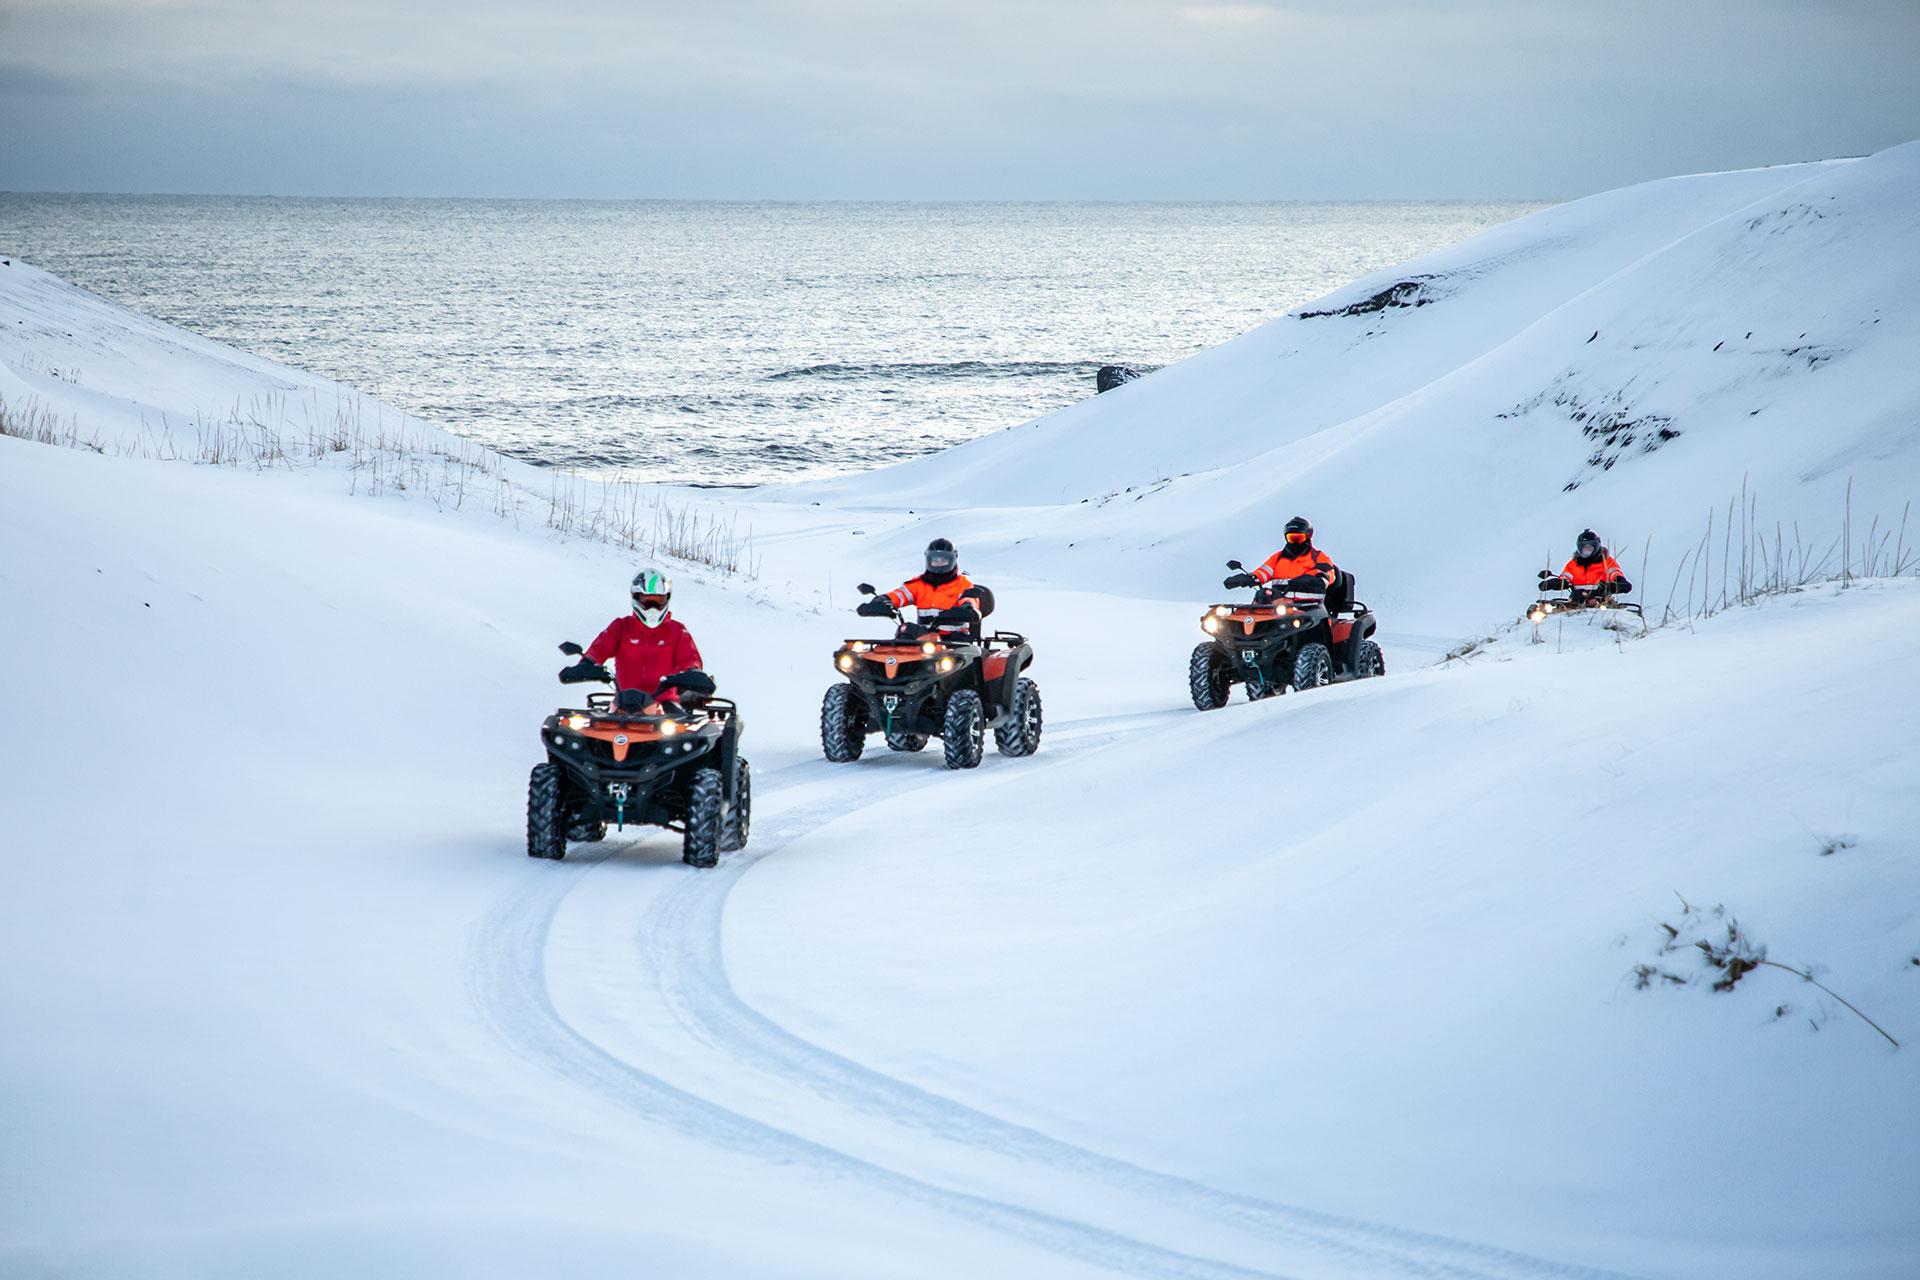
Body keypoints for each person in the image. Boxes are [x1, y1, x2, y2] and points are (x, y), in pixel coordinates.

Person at [578, 569, 705, 701]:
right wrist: (587, 663)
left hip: (665, 705)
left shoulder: (677, 631)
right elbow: (601, 646)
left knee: (681, 721)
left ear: (667, 599)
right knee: (580, 721)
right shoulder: (621, 627)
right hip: (624, 703)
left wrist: (694, 672)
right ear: (635, 597)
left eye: (658, 601)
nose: (652, 608)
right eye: (647, 601)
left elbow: (690, 657)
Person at [859, 537, 992, 635]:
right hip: (923, 639)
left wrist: (966, 609)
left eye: (943, 560)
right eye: (935, 560)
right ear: (928, 560)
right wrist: (881, 601)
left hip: (955, 641)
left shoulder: (963, 584)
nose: (939, 563)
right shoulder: (918, 584)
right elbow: (899, 595)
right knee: (903, 635)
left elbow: (969, 600)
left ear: (952, 560)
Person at [1224, 516, 1336, 595]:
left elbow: (1329, 574)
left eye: (1299, 538)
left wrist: (1317, 579)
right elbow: (1263, 572)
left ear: (1308, 537)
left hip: (1310, 607)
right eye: (1291, 538)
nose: (1295, 542)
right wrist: (1248, 578)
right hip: (1279, 606)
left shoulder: (1318, 557)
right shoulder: (1277, 558)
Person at [1539, 529, 1632, 603]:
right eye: (1584, 547)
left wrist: (1620, 584)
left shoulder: (1607, 562)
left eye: (1590, 547)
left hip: (1601, 603)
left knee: (1615, 618)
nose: (1587, 550)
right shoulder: (1573, 564)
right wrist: (1552, 583)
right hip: (1576, 601)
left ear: (1596, 546)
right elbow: (1565, 578)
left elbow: (1615, 573)